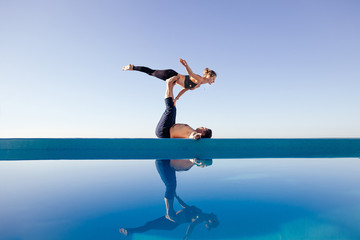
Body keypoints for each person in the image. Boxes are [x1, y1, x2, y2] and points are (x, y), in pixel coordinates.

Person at [122, 58, 217, 104]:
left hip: (172, 80)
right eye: (213, 79)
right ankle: (132, 67)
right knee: (151, 72)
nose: (213, 81)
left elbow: (184, 89)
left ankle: (132, 68)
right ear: (209, 76)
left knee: (151, 73)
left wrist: (176, 99)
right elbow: (191, 74)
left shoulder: (198, 85)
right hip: (171, 74)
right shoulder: (199, 79)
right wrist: (185, 66)